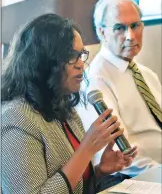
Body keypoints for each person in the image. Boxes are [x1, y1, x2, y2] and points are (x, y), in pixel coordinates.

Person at [1, 14, 137, 194]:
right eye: (71, 56)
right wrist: (87, 150)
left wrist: (100, 171)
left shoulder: (64, 108)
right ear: (44, 61)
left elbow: (75, 186)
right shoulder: (16, 118)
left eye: (81, 55)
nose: (81, 64)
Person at [76, 0, 161, 178]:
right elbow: (118, 152)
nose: (130, 36)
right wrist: (158, 173)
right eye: (119, 28)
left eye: (135, 26)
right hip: (137, 177)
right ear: (102, 32)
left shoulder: (147, 74)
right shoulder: (96, 81)